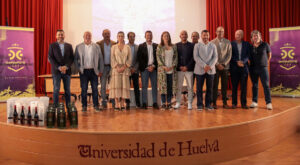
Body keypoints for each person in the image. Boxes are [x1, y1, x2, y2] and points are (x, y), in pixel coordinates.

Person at [74, 31, 104, 112]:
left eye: (89, 35)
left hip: (94, 71)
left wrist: (100, 70)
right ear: (83, 37)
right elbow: (75, 59)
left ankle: (96, 106)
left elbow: (101, 59)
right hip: (83, 72)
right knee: (84, 89)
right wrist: (79, 69)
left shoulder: (97, 46)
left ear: (91, 37)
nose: (88, 37)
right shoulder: (78, 47)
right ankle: (84, 106)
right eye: (86, 35)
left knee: (95, 89)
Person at [48, 29, 74, 108]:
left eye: (62, 34)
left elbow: (71, 58)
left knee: (67, 90)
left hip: (67, 71)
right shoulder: (52, 45)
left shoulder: (69, 46)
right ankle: (56, 106)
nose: (60, 36)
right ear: (56, 36)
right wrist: (59, 67)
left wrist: (66, 67)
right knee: (56, 89)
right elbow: (50, 58)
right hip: (56, 71)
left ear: (64, 36)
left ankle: (68, 106)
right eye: (59, 34)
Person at [193, 30, 218, 110]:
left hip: (210, 70)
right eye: (204, 35)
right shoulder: (197, 45)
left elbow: (215, 57)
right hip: (200, 70)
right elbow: (196, 57)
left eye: (207, 35)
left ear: (209, 36)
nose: (205, 37)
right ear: (201, 36)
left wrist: (209, 66)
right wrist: (204, 66)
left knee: (210, 88)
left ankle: (208, 104)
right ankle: (199, 105)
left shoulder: (213, 45)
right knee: (199, 89)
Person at [249, 30, 273, 110]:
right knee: (254, 86)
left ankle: (268, 103)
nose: (255, 37)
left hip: (263, 68)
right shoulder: (251, 47)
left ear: (260, 36)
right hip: (253, 68)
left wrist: (266, 62)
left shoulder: (265, 44)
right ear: (252, 38)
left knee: (266, 85)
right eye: (254, 36)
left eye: (257, 35)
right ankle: (254, 102)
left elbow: (269, 55)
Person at [136, 31, 159, 109]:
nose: (149, 36)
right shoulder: (141, 46)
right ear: (145, 36)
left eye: (150, 35)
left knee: (154, 86)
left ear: (152, 36)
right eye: (147, 35)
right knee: (144, 86)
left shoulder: (156, 46)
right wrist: (147, 66)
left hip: (154, 69)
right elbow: (139, 58)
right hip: (145, 69)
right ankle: (144, 103)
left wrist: (153, 66)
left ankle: (155, 103)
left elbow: (158, 58)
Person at [109, 31, 131, 110]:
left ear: (124, 37)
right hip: (116, 69)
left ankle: (122, 104)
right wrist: (117, 67)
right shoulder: (113, 47)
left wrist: (124, 67)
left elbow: (129, 59)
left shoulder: (127, 47)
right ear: (117, 37)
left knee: (123, 87)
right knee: (117, 87)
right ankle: (117, 104)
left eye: (122, 36)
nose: (120, 37)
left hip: (125, 69)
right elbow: (112, 58)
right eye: (119, 36)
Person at [211, 26, 232, 109]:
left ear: (223, 33)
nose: (220, 33)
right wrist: (217, 64)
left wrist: (223, 64)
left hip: (225, 67)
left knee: (224, 86)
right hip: (215, 67)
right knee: (215, 86)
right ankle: (214, 103)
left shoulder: (228, 42)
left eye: (222, 31)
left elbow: (229, 55)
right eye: (219, 31)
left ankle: (225, 103)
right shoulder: (212, 42)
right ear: (216, 32)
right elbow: (211, 55)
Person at [156, 31, 178, 110]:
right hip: (162, 71)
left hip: (171, 70)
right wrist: (163, 66)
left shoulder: (173, 46)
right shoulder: (159, 46)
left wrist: (172, 66)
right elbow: (158, 58)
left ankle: (168, 103)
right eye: (164, 36)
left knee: (169, 87)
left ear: (169, 37)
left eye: (167, 36)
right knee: (162, 87)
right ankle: (163, 103)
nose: (166, 37)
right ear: (162, 37)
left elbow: (176, 57)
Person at [174, 30, 195, 110]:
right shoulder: (176, 45)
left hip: (189, 70)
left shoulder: (192, 45)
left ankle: (189, 102)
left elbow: (193, 58)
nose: (184, 35)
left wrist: (187, 67)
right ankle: (178, 102)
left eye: (185, 34)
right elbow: (175, 57)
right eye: (182, 34)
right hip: (179, 69)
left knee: (190, 87)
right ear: (180, 36)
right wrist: (180, 66)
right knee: (178, 87)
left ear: (187, 36)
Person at [230, 30, 251, 109]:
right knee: (234, 87)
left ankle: (243, 104)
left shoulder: (247, 44)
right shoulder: (231, 44)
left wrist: (243, 61)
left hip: (244, 68)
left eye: (239, 34)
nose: (237, 36)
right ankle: (234, 103)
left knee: (243, 87)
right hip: (234, 68)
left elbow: (248, 55)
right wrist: (236, 62)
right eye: (236, 34)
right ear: (235, 35)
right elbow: (230, 55)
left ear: (242, 36)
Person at [96, 29, 117, 109]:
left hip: (112, 67)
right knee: (103, 85)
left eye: (108, 33)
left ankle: (112, 100)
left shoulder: (114, 43)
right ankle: (104, 101)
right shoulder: (98, 44)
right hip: (103, 67)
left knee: (113, 85)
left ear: (110, 34)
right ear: (102, 34)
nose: (107, 35)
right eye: (105, 34)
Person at [125, 32, 141, 109]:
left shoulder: (138, 47)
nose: (132, 38)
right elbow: (124, 59)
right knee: (127, 88)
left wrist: (134, 68)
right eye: (130, 37)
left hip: (135, 70)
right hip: (127, 70)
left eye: (133, 36)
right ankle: (127, 103)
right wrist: (129, 68)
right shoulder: (125, 47)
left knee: (136, 87)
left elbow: (138, 60)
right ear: (128, 38)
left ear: (135, 37)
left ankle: (138, 103)